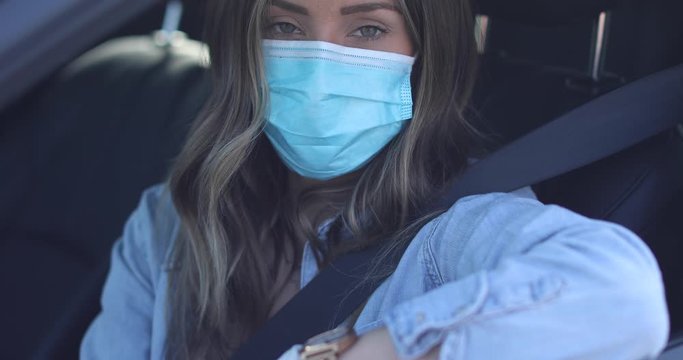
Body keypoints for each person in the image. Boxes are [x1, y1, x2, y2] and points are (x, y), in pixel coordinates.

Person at [80, 0, 670, 359]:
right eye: (285, 26)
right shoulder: (169, 224)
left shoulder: (449, 237)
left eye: (367, 30)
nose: (317, 64)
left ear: (426, 56)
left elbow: (622, 296)